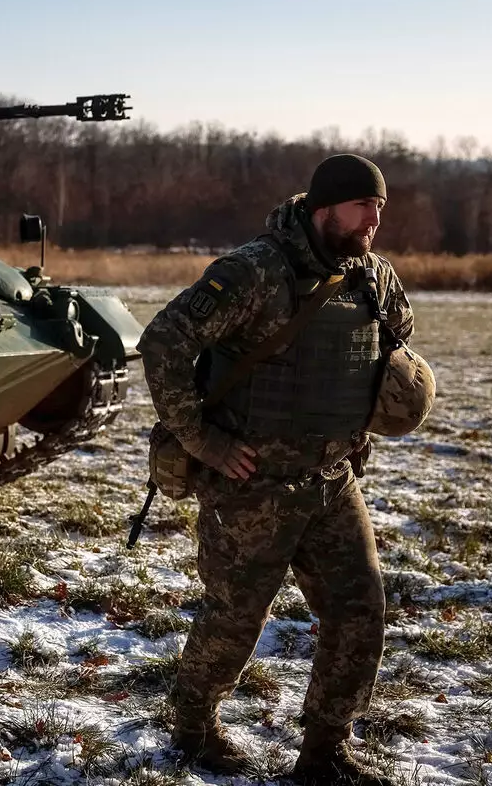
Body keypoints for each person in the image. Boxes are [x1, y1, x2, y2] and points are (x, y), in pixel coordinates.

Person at [136, 154, 416, 785]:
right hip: (250, 481)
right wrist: (202, 441)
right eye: (362, 206)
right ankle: (192, 725)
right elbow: (164, 341)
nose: (374, 219)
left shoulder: (372, 276)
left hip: (332, 479)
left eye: (379, 207)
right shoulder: (253, 271)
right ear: (324, 209)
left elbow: (395, 340)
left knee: (359, 610)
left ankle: (324, 751)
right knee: (234, 618)